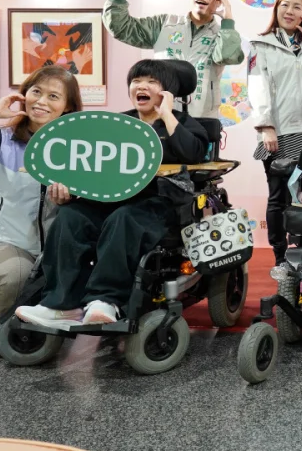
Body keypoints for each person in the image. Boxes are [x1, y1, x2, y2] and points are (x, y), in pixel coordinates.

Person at [14, 60, 208, 328]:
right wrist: (69, 189)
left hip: (159, 202)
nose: (142, 86)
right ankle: (61, 304)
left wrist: (166, 114)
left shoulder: (184, 123)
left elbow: (194, 154)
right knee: (71, 216)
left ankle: (105, 300)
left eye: (151, 82)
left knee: (123, 218)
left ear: (167, 92)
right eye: (136, 81)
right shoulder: (119, 124)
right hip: (113, 199)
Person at [0, 66, 83, 356]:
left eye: (53, 96)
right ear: (24, 95)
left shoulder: (80, 147)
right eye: (36, 91)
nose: (41, 101)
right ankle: (6, 325)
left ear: (68, 107)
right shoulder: (2, 138)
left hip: (60, 247)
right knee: (15, 276)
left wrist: (70, 199)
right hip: (7, 242)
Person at [250, 0, 302, 265]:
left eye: (297, 7)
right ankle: (280, 256)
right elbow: (257, 87)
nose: (290, 11)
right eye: (285, 5)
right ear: (276, 9)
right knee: (279, 197)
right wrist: (265, 126)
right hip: (279, 131)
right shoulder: (261, 45)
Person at [103, 0, 245, 118]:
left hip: (202, 118)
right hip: (160, 115)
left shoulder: (223, 34)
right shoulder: (164, 24)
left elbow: (228, 56)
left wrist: (227, 20)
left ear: (219, 1)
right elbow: (121, 28)